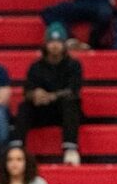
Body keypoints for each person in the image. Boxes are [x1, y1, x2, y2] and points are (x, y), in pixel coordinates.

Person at [11, 23, 84, 165]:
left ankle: (70, 149)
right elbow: (27, 91)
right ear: (45, 44)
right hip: (43, 111)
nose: (55, 45)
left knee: (71, 103)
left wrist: (52, 96)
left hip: (65, 111)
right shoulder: (36, 66)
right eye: (51, 41)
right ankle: (17, 148)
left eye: (58, 42)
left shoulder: (74, 65)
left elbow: (73, 90)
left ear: (64, 44)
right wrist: (35, 95)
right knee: (24, 107)